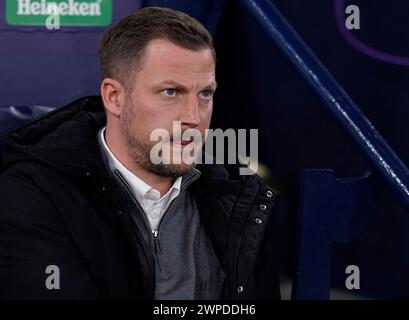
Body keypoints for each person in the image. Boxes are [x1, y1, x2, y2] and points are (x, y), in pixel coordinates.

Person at [0, 7, 280, 300]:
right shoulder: (35, 195)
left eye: (205, 94)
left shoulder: (241, 198)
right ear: (115, 97)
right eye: (171, 92)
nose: (193, 117)